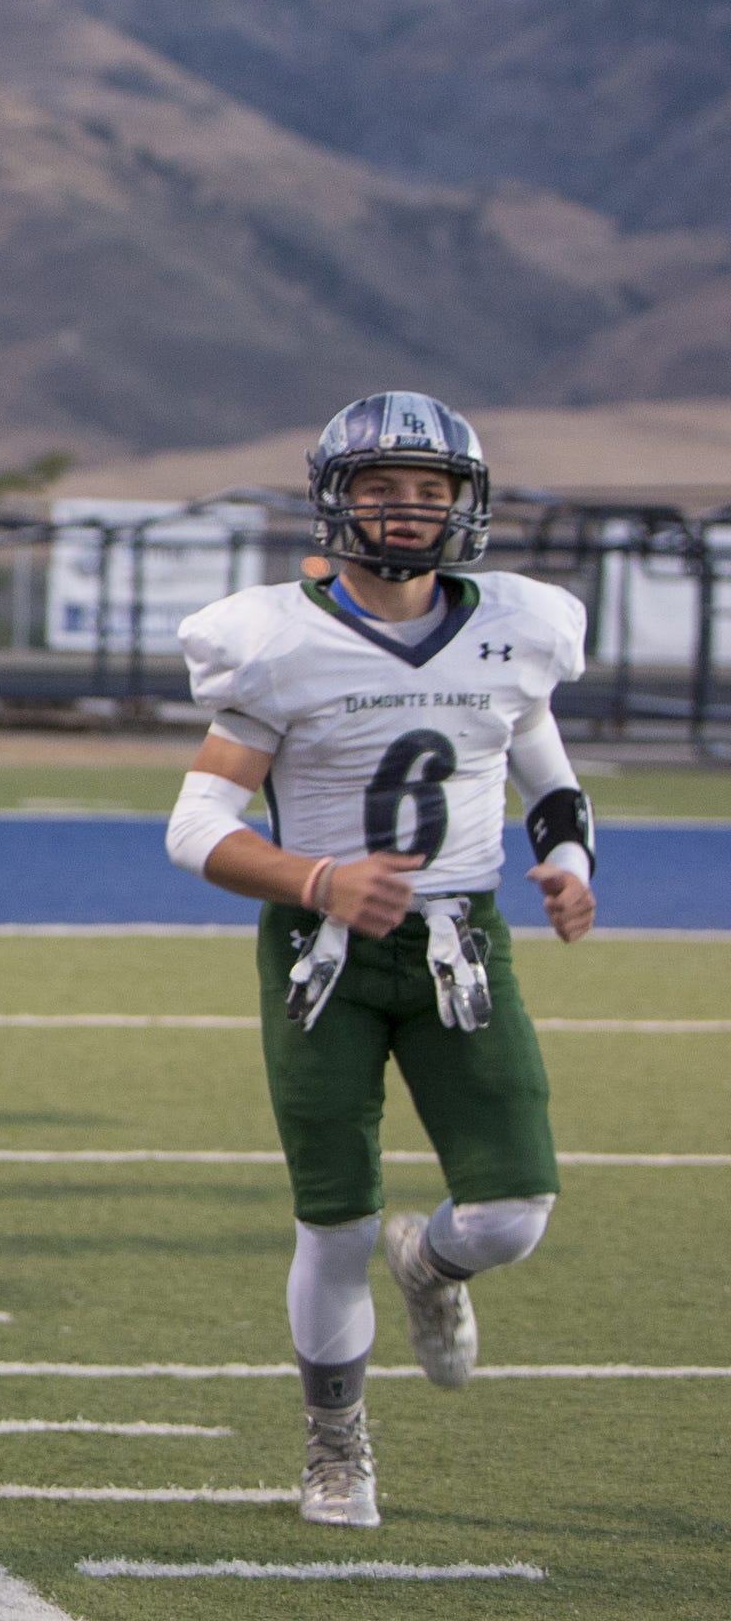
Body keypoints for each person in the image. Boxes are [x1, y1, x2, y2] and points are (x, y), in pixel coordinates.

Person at [168, 391, 591, 1529]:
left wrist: (569, 861)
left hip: (460, 943)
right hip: (323, 955)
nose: (406, 513)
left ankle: (435, 1268)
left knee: (510, 1213)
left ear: (464, 505)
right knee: (335, 1221)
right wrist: (316, 880)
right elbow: (195, 826)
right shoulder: (273, 639)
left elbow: (544, 775)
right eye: (380, 490)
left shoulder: (513, 626)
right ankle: (334, 1444)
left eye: (428, 492)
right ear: (335, 501)